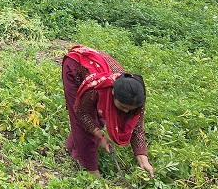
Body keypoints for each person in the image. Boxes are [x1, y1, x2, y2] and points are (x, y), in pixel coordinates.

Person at [62, 45, 154, 178]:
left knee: (99, 118)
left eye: (130, 109)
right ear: (112, 93)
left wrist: (142, 157)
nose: (126, 111)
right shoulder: (96, 89)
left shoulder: (136, 99)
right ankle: (89, 168)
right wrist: (100, 136)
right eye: (122, 106)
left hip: (99, 66)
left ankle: (73, 148)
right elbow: (82, 113)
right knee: (84, 123)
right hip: (76, 65)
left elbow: (136, 127)